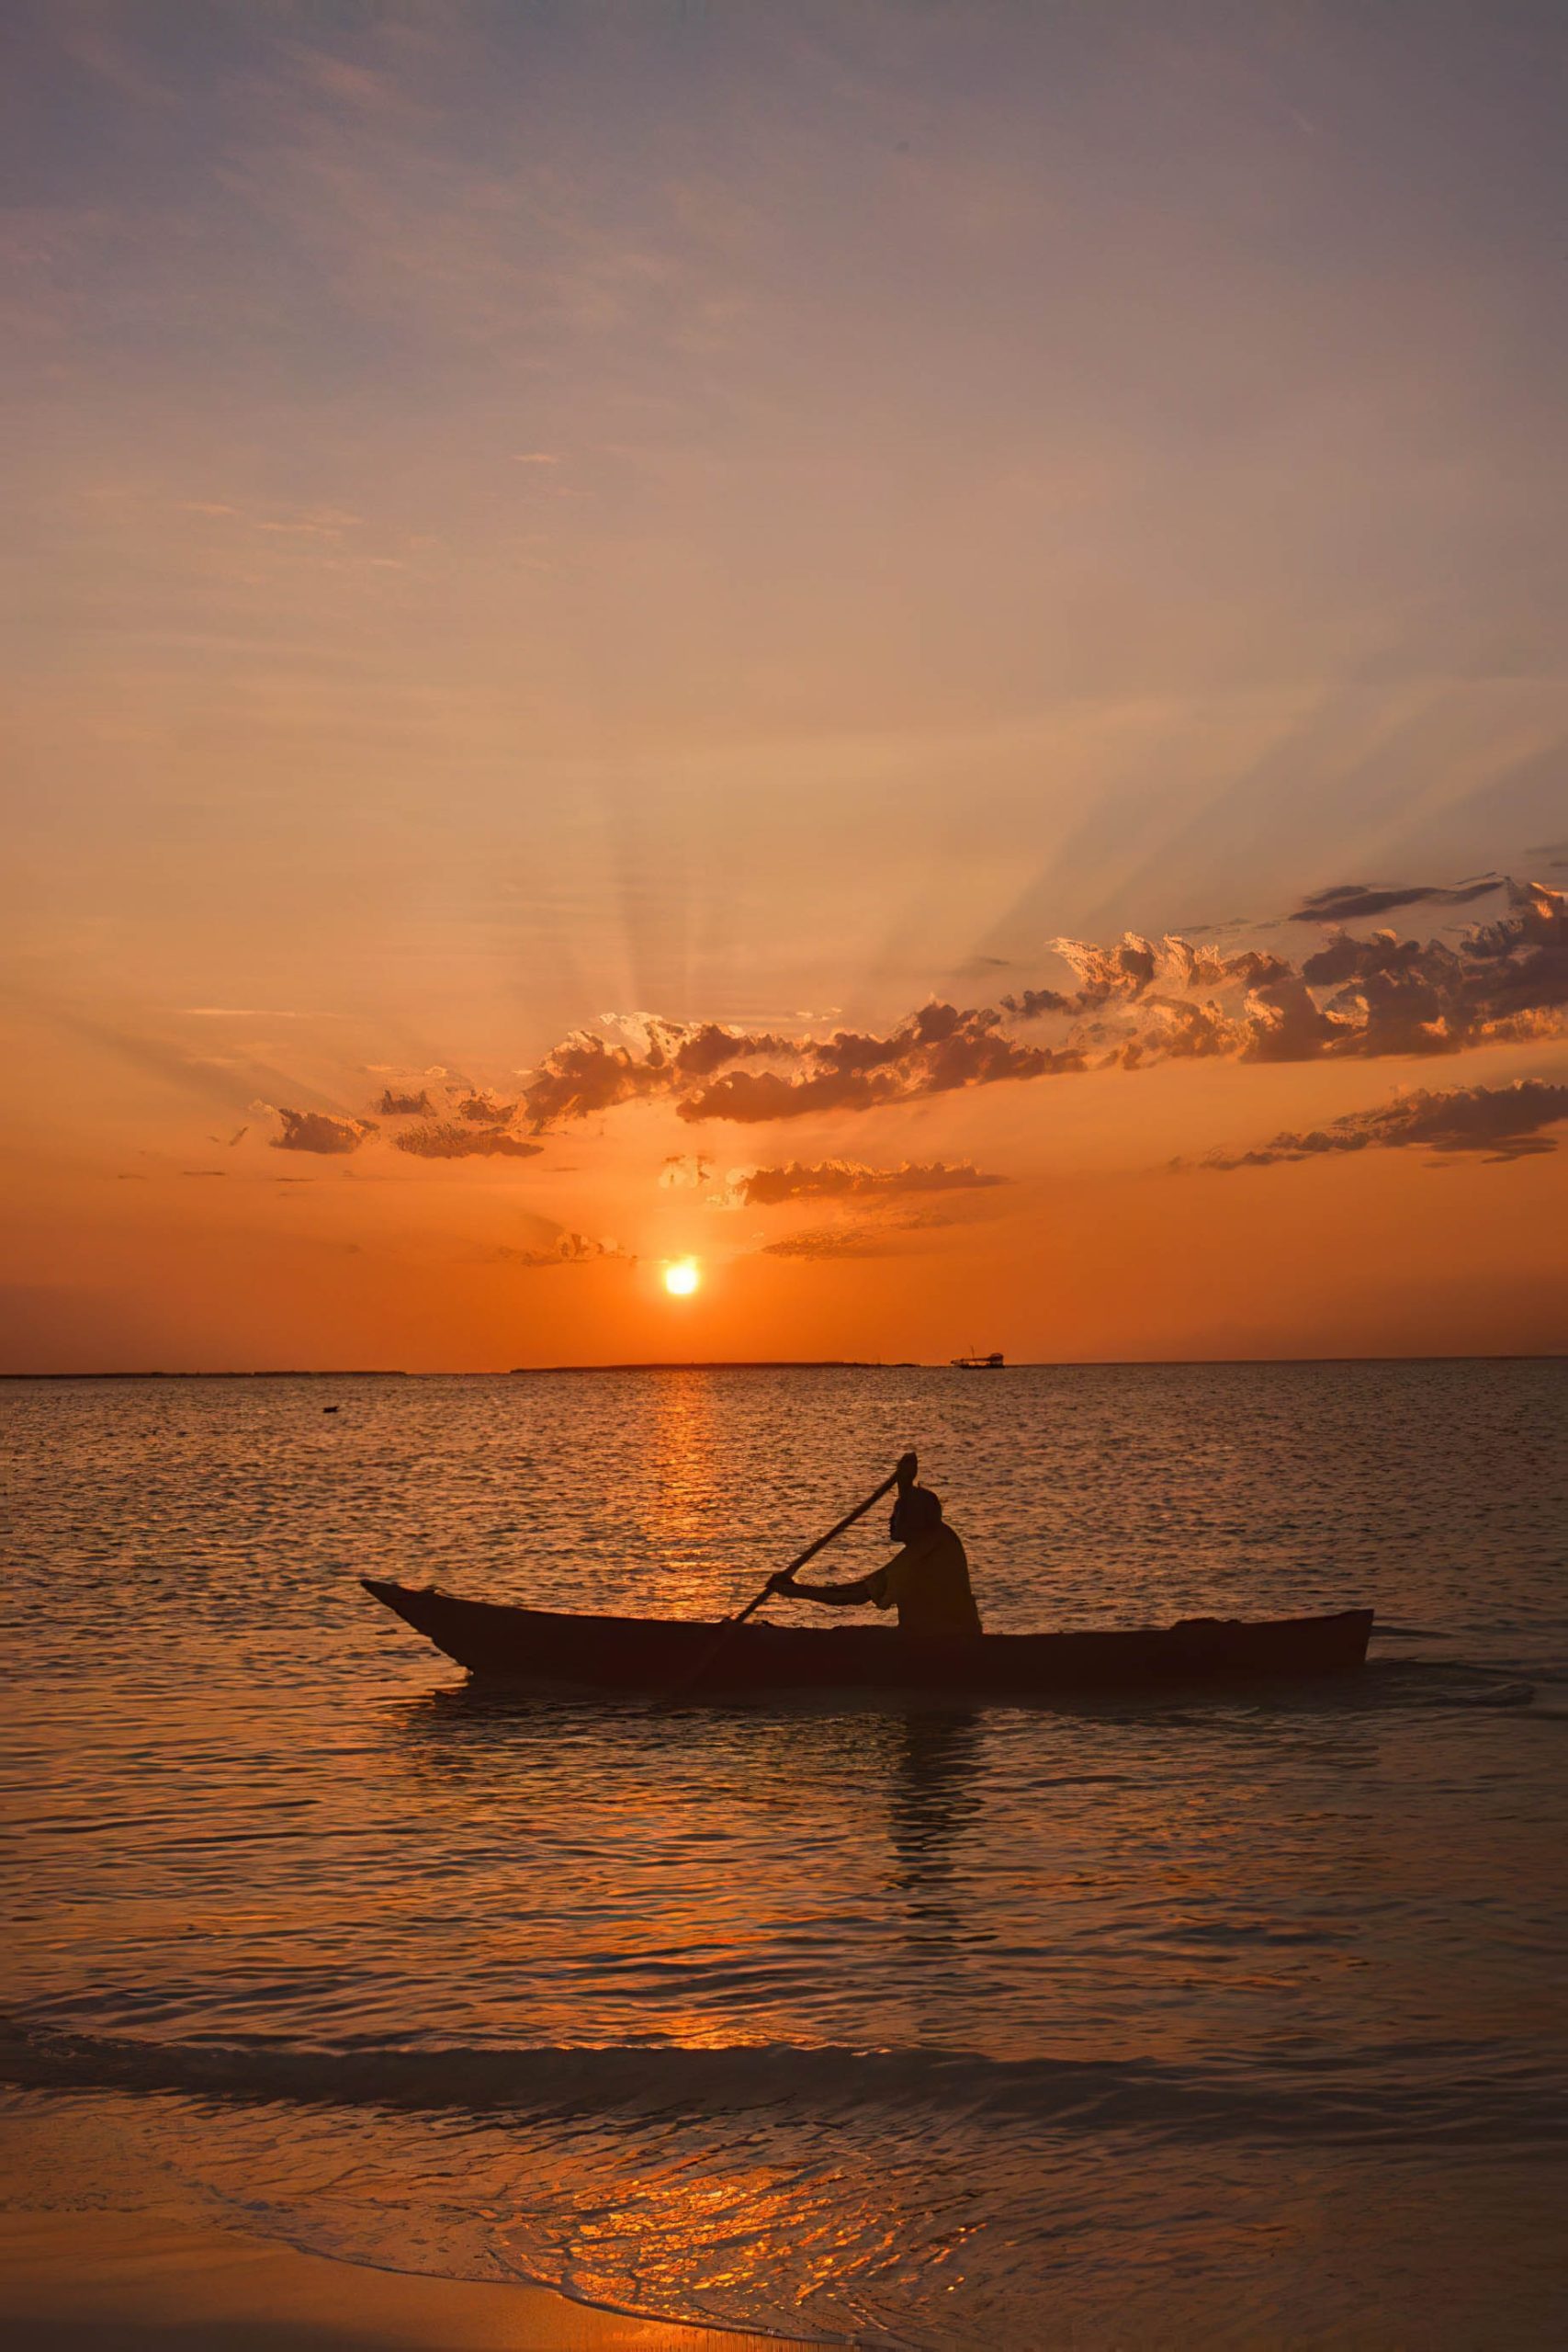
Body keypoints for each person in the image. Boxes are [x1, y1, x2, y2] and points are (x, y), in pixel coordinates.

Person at [768, 1452, 983, 1637]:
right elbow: (914, 1512)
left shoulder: (919, 1555)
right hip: (938, 1637)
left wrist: (794, 1590)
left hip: (941, 1644)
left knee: (847, 1637)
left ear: (913, 1520)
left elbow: (857, 1595)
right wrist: (904, 1483)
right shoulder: (939, 1534)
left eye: (896, 1514)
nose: (889, 1520)